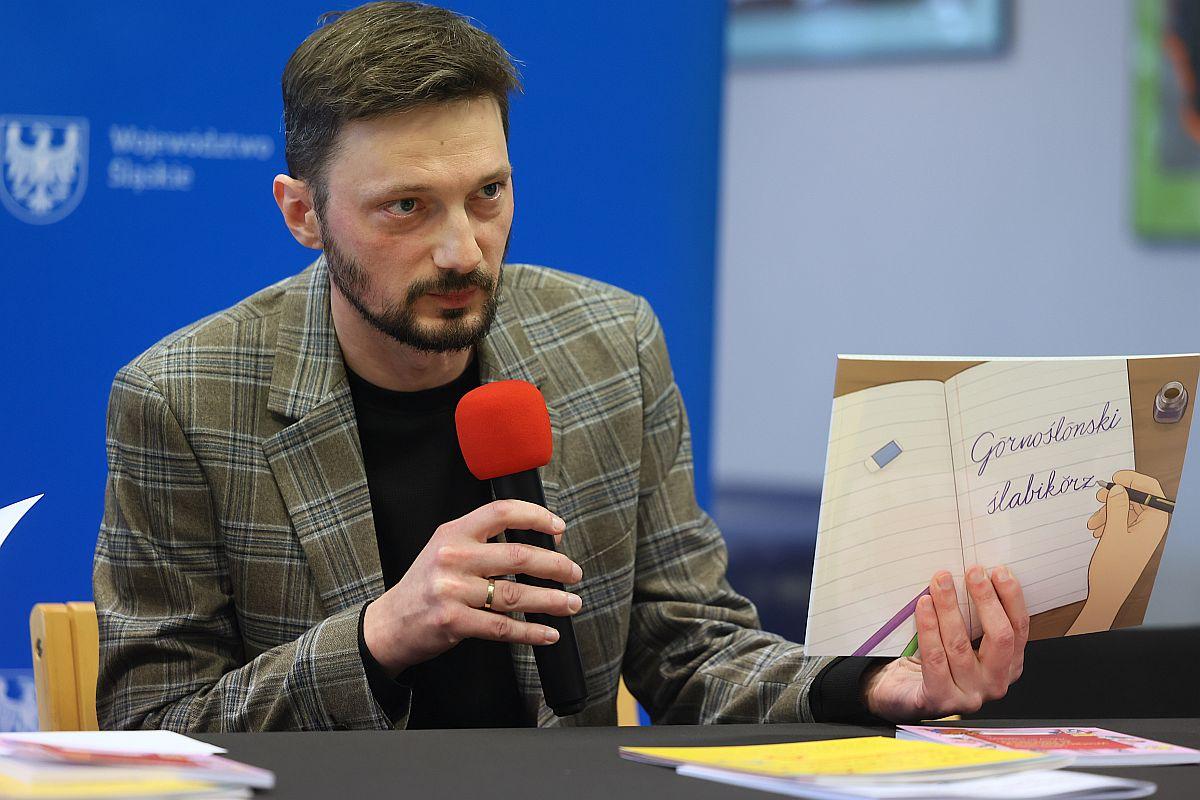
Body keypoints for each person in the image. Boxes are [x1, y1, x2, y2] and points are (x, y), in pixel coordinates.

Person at [93, 1, 1029, 732]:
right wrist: (379, 638)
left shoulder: (608, 345)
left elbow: (691, 648)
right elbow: (152, 724)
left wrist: (877, 686)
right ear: (303, 215)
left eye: (488, 193)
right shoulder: (182, 399)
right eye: (407, 207)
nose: (463, 250)